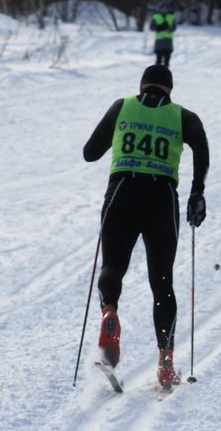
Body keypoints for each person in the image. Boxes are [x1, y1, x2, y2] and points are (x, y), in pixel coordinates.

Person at [82, 64, 209, 388]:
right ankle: (165, 364)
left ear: (141, 86)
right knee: (162, 282)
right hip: (161, 198)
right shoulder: (184, 117)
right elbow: (202, 151)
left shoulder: (122, 106)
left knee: (113, 266)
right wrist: (197, 192)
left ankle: (109, 314)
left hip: (121, 192)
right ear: (169, 90)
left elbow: (90, 153)